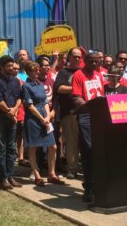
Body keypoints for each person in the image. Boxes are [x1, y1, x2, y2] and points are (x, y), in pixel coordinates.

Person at [22, 61, 64, 186]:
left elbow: (45, 101)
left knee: (53, 146)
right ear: (28, 72)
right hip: (33, 120)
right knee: (33, 148)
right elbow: (29, 106)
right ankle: (37, 175)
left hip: (45, 119)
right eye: (34, 71)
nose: (37, 72)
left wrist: (47, 116)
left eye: (37, 70)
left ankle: (52, 174)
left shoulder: (40, 85)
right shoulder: (26, 86)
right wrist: (41, 118)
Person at [71, 51, 105, 202]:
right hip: (85, 116)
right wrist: (87, 105)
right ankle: (89, 187)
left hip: (100, 116)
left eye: (97, 62)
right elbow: (76, 97)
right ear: (85, 61)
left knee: (100, 150)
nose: (94, 64)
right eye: (91, 61)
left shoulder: (99, 75)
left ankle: (98, 183)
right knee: (88, 149)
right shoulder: (79, 75)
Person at [0, 56, 22, 190]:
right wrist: (9, 112)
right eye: (8, 66)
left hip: (12, 117)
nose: (11, 68)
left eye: (12, 65)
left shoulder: (15, 81)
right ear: (2, 67)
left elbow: (20, 98)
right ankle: (2, 178)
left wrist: (14, 110)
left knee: (11, 148)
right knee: (1, 148)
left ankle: (10, 176)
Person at [53, 48, 82, 179]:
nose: (77, 59)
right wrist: (77, 88)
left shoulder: (84, 72)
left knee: (86, 141)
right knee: (71, 142)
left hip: (86, 112)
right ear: (69, 58)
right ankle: (73, 168)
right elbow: (59, 88)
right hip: (70, 112)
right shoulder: (63, 73)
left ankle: (85, 167)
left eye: (79, 57)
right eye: (75, 56)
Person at [12, 61, 27, 167]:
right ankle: (12, 157)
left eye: (17, 68)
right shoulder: (6, 81)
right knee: (11, 137)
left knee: (20, 135)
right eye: (14, 68)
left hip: (21, 112)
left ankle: (21, 157)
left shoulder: (21, 81)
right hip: (10, 112)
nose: (16, 70)